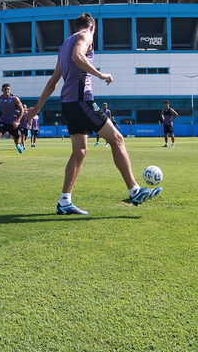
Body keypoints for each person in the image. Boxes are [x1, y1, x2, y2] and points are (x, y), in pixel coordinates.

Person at [26, 12, 161, 215]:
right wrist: (100, 74)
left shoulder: (64, 45)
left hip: (68, 103)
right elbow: (77, 56)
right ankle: (135, 191)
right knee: (117, 138)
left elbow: (53, 81)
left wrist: (37, 107)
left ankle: (64, 201)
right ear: (91, 27)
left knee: (80, 150)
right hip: (83, 101)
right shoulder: (85, 36)